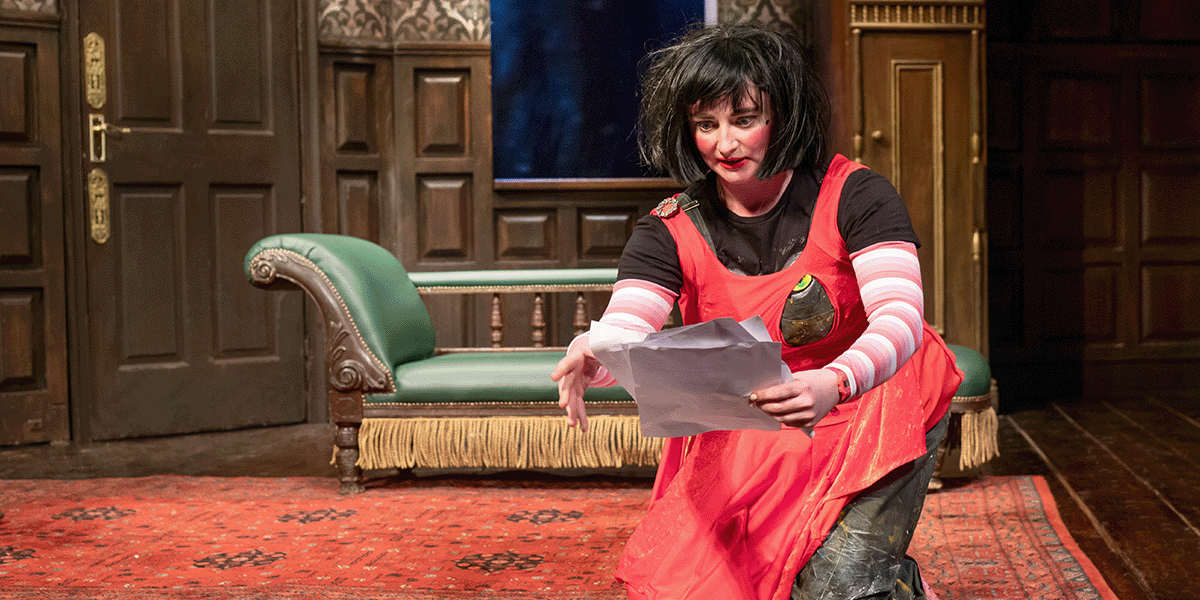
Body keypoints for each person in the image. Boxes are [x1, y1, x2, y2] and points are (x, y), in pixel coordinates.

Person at [551, 22, 963, 600]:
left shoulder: (857, 194)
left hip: (878, 397)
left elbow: (899, 318)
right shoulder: (668, 226)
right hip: (759, 421)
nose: (725, 143)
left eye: (744, 120)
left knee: (835, 589)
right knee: (690, 587)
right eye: (706, 125)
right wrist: (600, 351)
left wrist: (834, 381)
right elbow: (629, 323)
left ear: (784, 117)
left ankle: (886, 582)